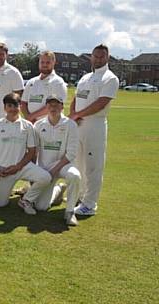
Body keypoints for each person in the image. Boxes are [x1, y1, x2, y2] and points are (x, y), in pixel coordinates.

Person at [69, 44, 119, 216]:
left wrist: (79, 114)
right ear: (91, 57)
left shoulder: (110, 78)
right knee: (79, 163)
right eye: (95, 56)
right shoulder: (85, 77)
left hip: (95, 125)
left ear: (107, 58)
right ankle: (81, 197)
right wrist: (72, 115)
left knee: (93, 166)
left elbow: (101, 103)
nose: (98, 59)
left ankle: (90, 204)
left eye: (101, 56)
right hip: (79, 125)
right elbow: (77, 97)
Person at [0, 93, 51, 215]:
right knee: (0, 204)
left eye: (16, 105)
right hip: (4, 170)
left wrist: (18, 166)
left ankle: (26, 200)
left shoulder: (28, 126)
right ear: (4, 107)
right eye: (9, 105)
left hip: (23, 167)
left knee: (46, 177)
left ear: (20, 106)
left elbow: (31, 151)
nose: (13, 109)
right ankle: (16, 190)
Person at [34, 95, 81, 225]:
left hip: (64, 165)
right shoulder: (38, 125)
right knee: (41, 207)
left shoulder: (70, 124)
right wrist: (34, 174)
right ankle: (59, 190)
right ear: (46, 107)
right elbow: (34, 150)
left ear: (62, 107)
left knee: (74, 175)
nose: (53, 107)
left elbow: (71, 153)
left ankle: (70, 212)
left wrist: (55, 170)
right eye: (50, 105)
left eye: (56, 105)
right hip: (45, 168)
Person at [20, 51, 67, 123]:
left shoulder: (58, 82)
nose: (44, 65)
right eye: (42, 62)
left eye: (48, 62)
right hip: (31, 124)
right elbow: (23, 103)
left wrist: (31, 116)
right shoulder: (31, 82)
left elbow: (55, 105)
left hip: (50, 126)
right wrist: (28, 118)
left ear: (54, 63)